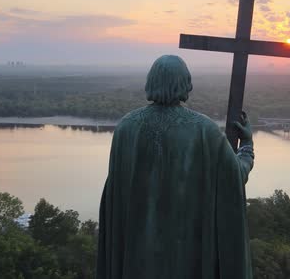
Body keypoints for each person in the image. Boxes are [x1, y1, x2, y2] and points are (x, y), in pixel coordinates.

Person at [96, 55, 254, 279]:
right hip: (188, 255)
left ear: (151, 82)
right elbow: (235, 177)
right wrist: (246, 146)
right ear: (185, 84)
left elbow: (115, 199)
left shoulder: (126, 128)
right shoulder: (204, 130)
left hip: (137, 257)